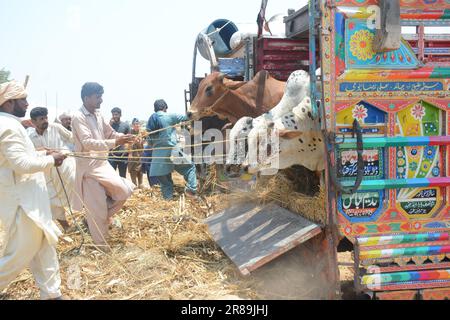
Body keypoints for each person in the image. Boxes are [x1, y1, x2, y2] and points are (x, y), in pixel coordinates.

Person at [0, 81, 66, 300]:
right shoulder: (7, 126)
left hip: (31, 202)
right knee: (18, 254)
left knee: (44, 248)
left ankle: (52, 294)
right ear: (9, 103)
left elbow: (19, 159)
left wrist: (41, 154)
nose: (27, 103)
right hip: (24, 204)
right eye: (23, 100)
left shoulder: (10, 124)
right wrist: (50, 159)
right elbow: (21, 165)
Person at [71, 83, 135, 249]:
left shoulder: (99, 114)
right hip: (89, 168)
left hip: (102, 164)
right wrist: (115, 142)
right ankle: (102, 248)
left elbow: (110, 133)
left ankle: (91, 217)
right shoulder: (78, 117)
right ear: (86, 98)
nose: (101, 100)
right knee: (98, 209)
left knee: (125, 190)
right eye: (98, 96)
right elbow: (87, 143)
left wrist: (125, 137)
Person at [28, 107, 76, 232]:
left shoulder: (56, 127)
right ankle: (66, 227)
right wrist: (44, 151)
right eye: (41, 119)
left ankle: (92, 219)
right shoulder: (29, 136)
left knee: (77, 188)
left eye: (46, 117)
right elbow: (28, 152)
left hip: (65, 166)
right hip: (47, 172)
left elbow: (72, 138)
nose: (45, 120)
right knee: (51, 200)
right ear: (33, 122)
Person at [146, 99, 197, 200]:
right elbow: (188, 117)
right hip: (173, 152)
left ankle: (168, 200)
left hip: (158, 158)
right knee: (190, 168)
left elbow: (150, 143)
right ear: (165, 108)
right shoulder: (169, 116)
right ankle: (191, 190)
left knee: (166, 184)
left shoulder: (150, 122)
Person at [108, 107, 130, 178]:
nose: (114, 116)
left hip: (123, 155)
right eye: (113, 115)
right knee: (111, 176)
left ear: (120, 115)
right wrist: (109, 125)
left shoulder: (125, 125)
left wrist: (127, 151)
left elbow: (129, 140)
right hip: (112, 155)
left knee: (122, 176)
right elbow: (105, 137)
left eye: (116, 114)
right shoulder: (109, 126)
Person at [128, 118, 144, 188]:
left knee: (140, 170)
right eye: (135, 124)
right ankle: (134, 185)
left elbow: (142, 146)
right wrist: (130, 153)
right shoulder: (130, 133)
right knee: (132, 170)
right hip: (132, 156)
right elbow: (127, 145)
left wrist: (138, 142)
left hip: (140, 155)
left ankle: (140, 184)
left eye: (137, 124)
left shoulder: (142, 134)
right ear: (132, 125)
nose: (136, 125)